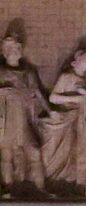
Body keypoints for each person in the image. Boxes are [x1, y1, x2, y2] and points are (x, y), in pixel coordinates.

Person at [39, 43, 86, 189]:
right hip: (64, 118)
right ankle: (51, 180)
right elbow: (53, 98)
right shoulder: (66, 77)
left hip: (78, 120)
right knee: (58, 151)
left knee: (73, 151)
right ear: (75, 62)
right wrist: (76, 98)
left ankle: (69, 181)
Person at [0, 28, 46, 192]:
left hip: (25, 117)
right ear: (5, 52)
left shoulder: (28, 72)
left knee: (34, 151)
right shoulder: (1, 72)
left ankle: (41, 188)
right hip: (7, 118)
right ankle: (8, 188)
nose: (14, 51)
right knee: (7, 155)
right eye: (10, 48)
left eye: (17, 47)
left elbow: (38, 92)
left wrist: (50, 110)